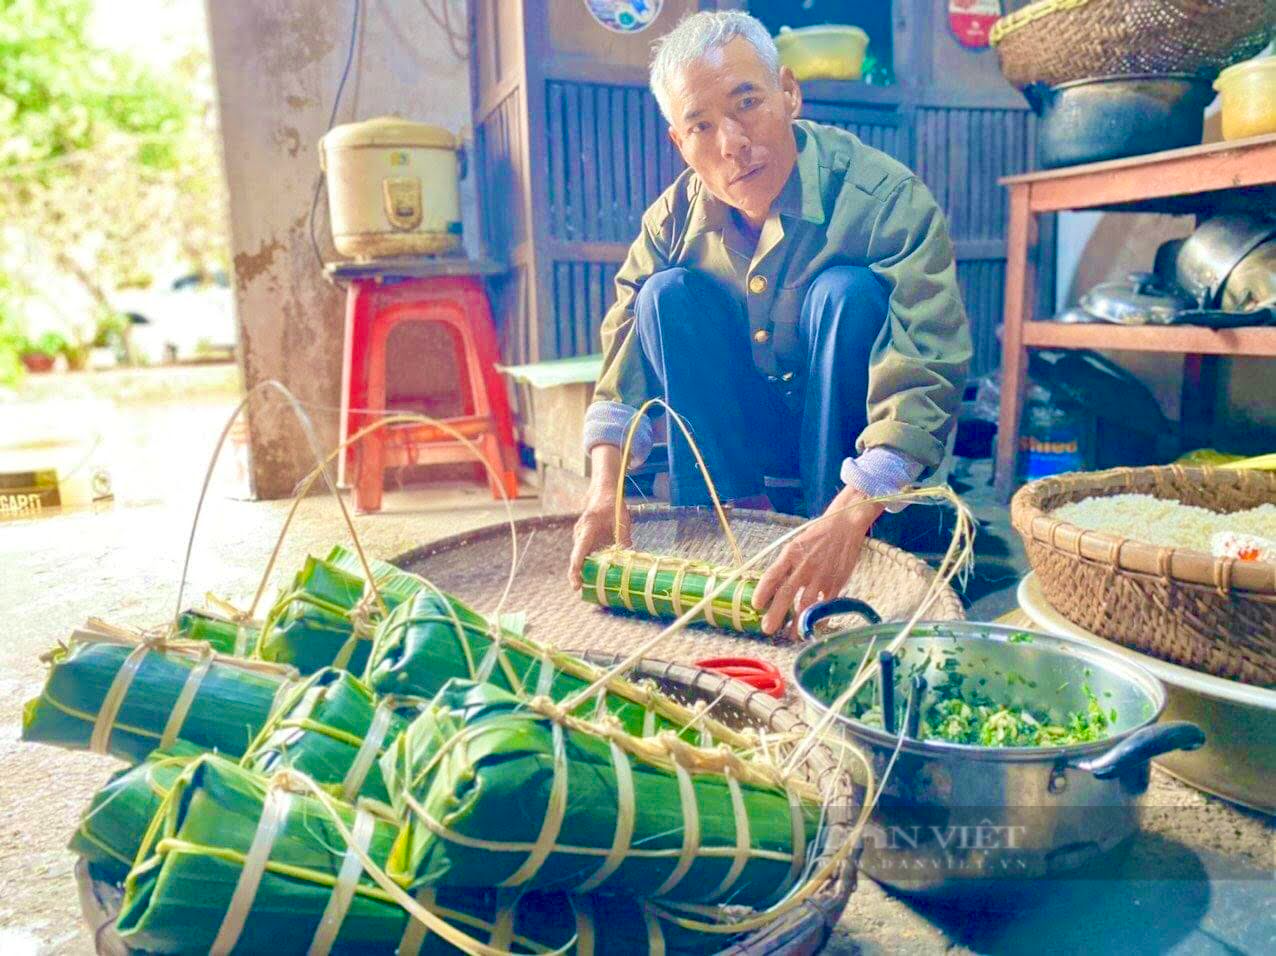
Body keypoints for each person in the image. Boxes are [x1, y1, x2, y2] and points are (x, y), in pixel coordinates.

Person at [567, 11, 971, 636]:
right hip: (743, 448)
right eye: (701, 126)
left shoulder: (886, 199)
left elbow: (926, 365)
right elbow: (623, 352)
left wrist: (850, 513)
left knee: (848, 293)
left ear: (788, 93)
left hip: (850, 456)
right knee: (664, 295)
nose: (730, 143)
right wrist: (604, 491)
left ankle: (829, 533)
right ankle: (733, 523)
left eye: (747, 102)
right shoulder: (670, 220)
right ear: (680, 141)